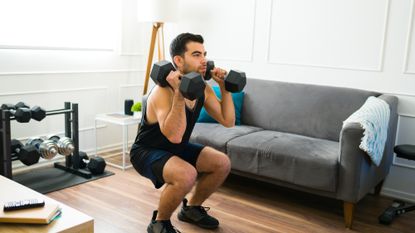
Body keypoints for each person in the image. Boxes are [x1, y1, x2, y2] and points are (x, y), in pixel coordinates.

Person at [130, 32, 236, 233]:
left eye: (204, 54)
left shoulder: (202, 88)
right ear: (178, 60)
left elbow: (228, 121)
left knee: (221, 163)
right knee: (187, 174)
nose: (204, 60)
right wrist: (179, 94)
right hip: (147, 151)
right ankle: (159, 223)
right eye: (196, 54)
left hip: (176, 147)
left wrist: (224, 88)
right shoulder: (162, 92)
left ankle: (191, 209)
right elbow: (175, 136)